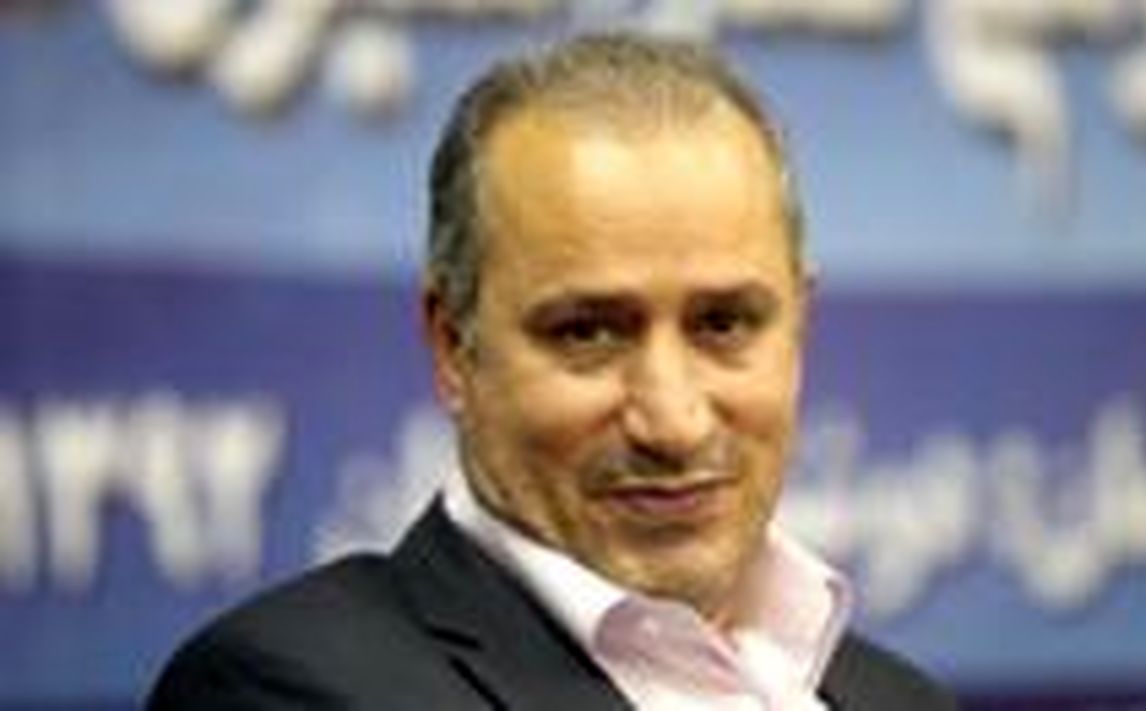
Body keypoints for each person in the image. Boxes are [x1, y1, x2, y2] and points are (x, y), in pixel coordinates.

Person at [148, 32, 956, 711]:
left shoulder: (900, 698)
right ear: (453, 345)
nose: (673, 421)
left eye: (724, 324)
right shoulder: (287, 687)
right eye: (588, 332)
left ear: (800, 323)